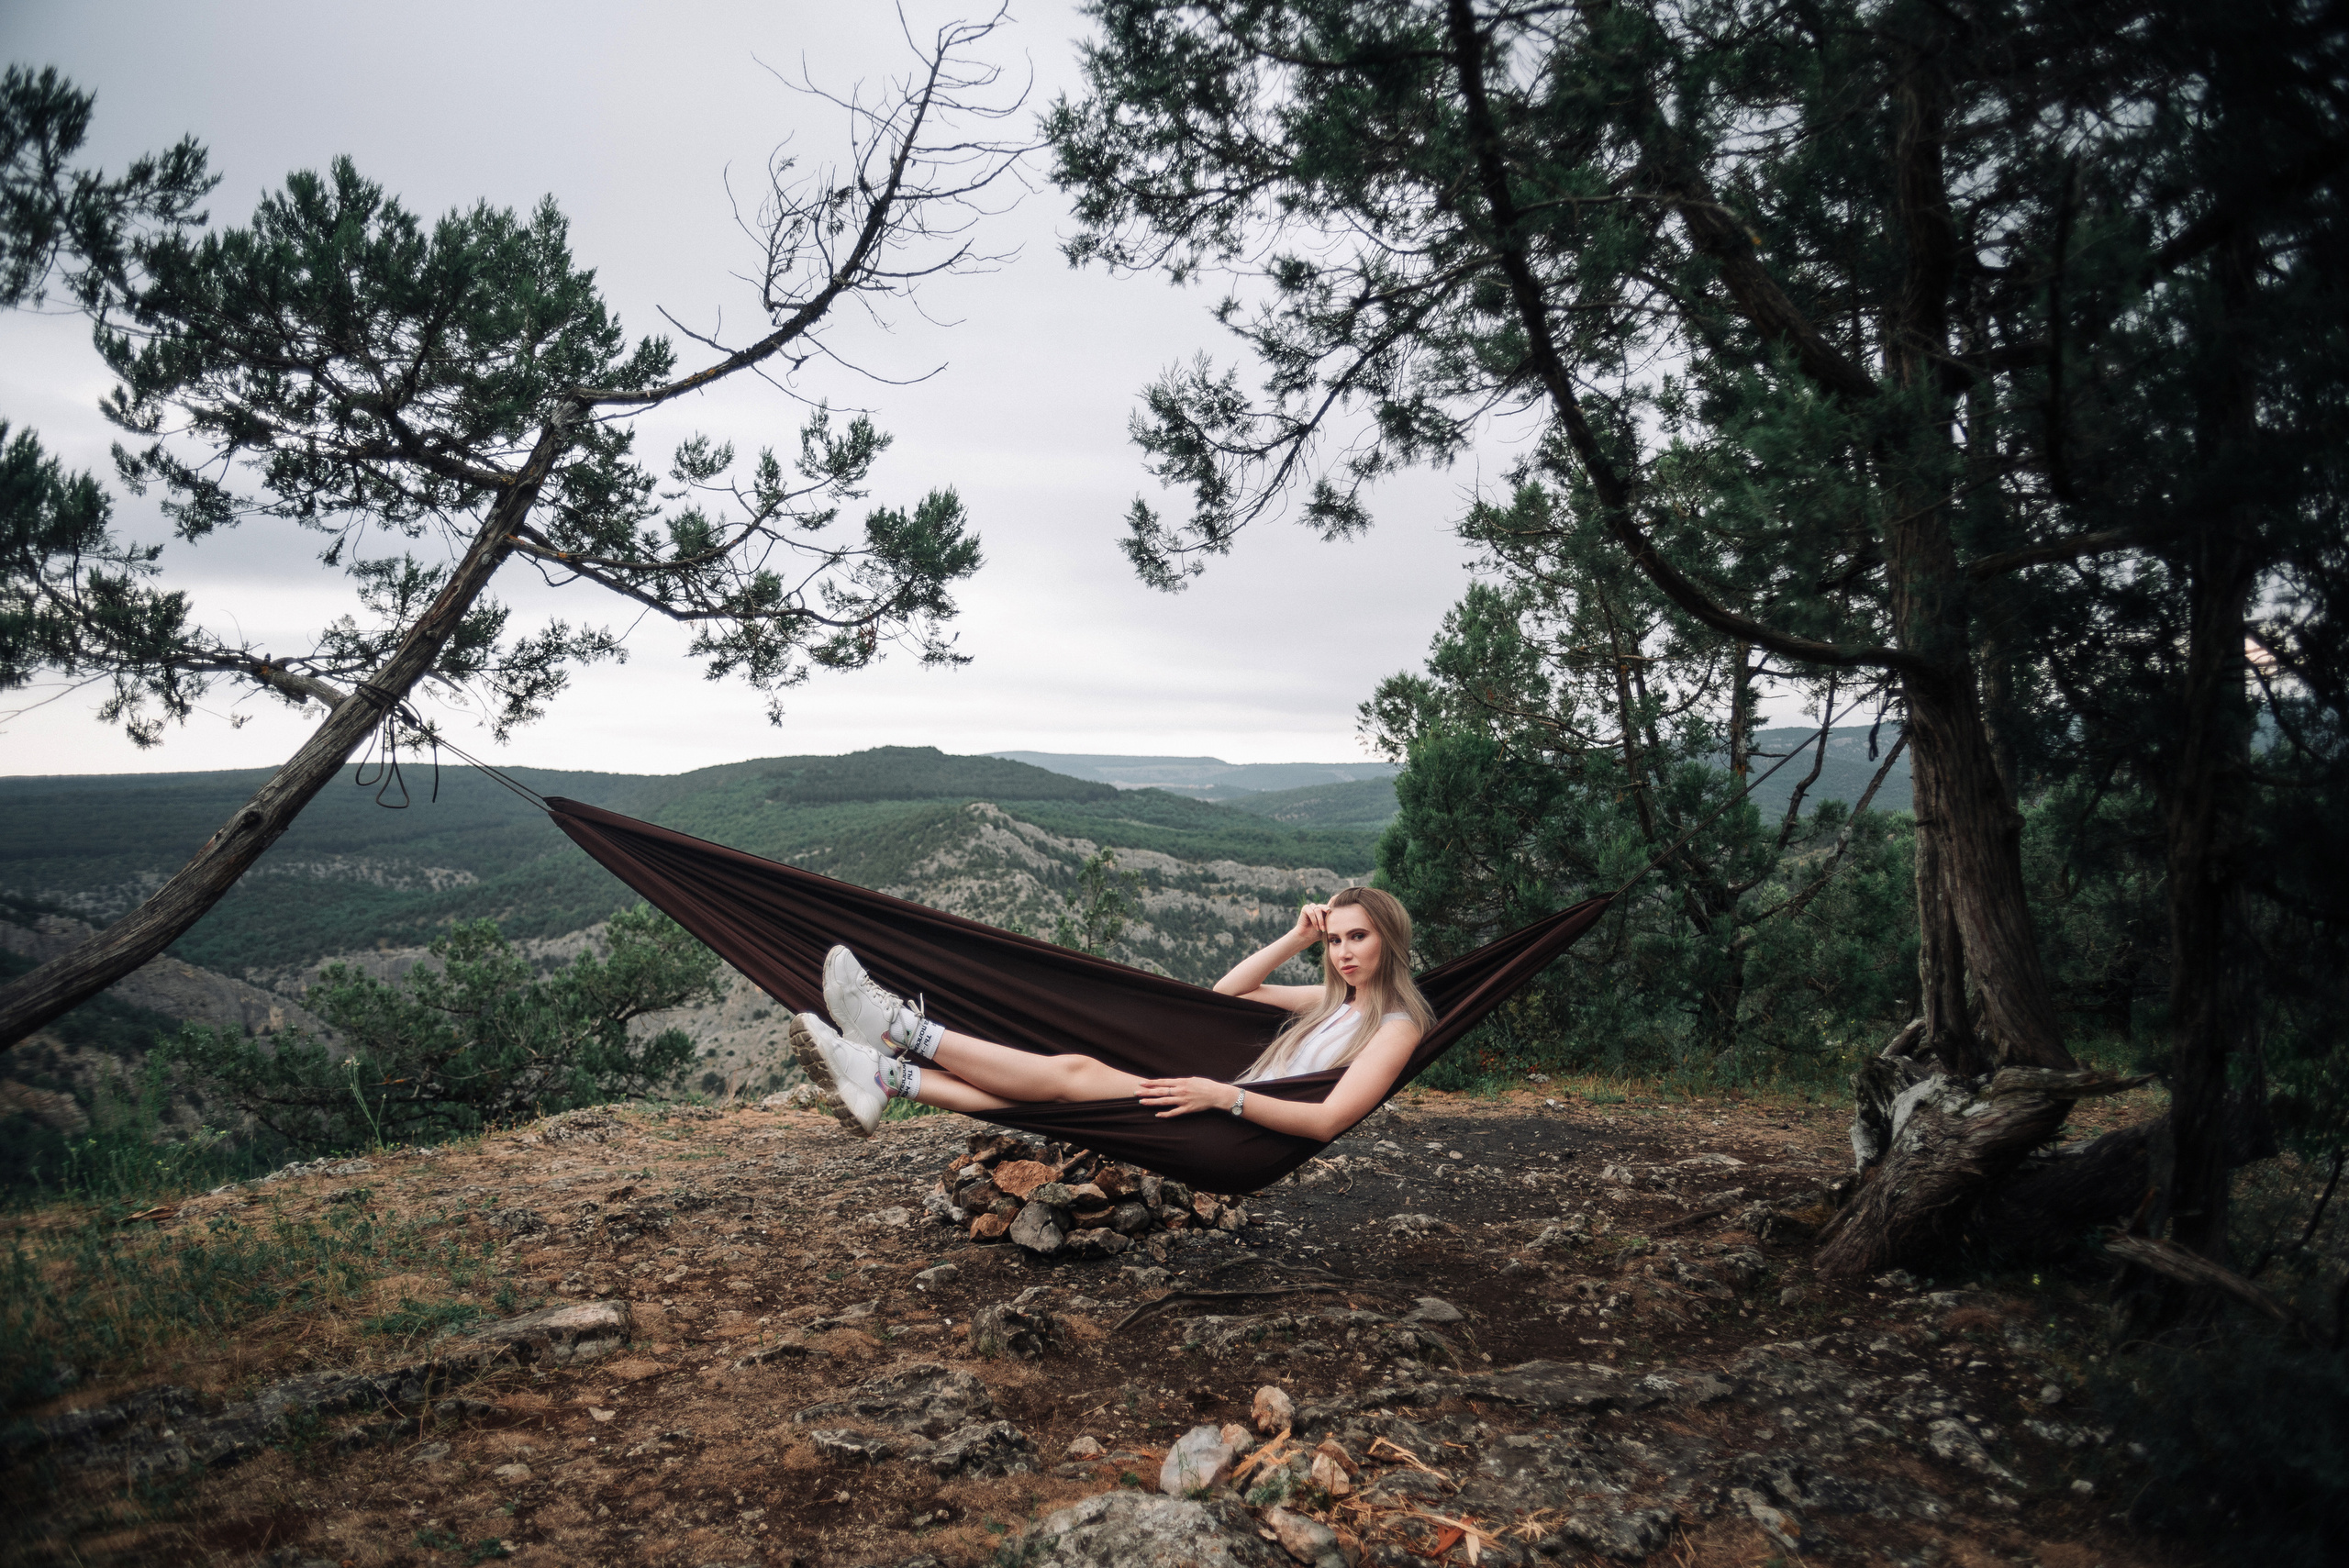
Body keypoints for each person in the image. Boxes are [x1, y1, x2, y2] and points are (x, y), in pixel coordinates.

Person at [790, 885, 1433, 1147]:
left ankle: (901, 1031)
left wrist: (1225, 1095)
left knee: (1073, 1073)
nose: (1344, 952)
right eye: (1336, 939)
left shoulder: (1397, 1024)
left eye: (1359, 938)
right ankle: (886, 1077)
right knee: (1050, 1094)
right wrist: (1297, 938)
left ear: (1390, 941)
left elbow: (1325, 1121)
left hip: (1237, 1132)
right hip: (1222, 1111)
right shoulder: (1333, 1004)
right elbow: (1231, 992)